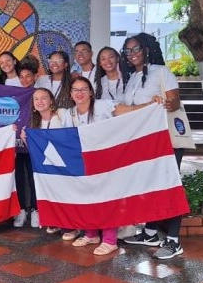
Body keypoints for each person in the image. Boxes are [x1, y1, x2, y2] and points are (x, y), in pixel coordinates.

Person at [61, 76, 158, 255]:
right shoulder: (69, 114)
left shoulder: (103, 105)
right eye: (76, 90)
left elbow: (130, 111)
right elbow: (63, 139)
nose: (80, 93)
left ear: (91, 91)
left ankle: (109, 239)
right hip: (83, 164)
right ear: (71, 94)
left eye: (84, 89)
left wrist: (151, 105)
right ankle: (90, 234)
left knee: (107, 199)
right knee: (86, 199)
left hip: (106, 162)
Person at [120, 33, 186, 260]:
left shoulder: (161, 71)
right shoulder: (133, 78)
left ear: (146, 48)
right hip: (146, 143)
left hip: (167, 139)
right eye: (127, 51)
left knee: (170, 186)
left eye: (136, 48)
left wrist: (166, 103)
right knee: (153, 185)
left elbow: (174, 100)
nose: (132, 54)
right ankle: (149, 233)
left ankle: (174, 240)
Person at [16, 88, 64, 230]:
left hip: (62, 165)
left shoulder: (61, 116)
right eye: (36, 99)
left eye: (43, 98)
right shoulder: (32, 125)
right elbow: (35, 152)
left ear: (51, 101)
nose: (40, 101)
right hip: (47, 166)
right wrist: (25, 140)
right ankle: (53, 220)